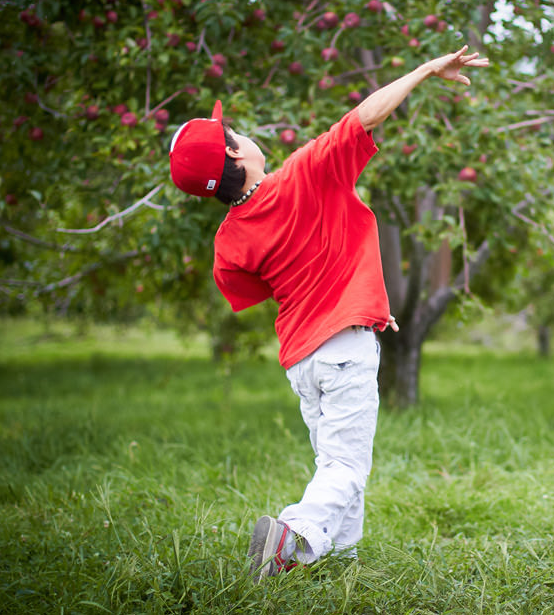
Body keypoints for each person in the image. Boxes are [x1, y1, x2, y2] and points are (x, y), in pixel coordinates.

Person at [167, 46, 490, 582]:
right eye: (236, 133)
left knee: (335, 465)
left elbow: (253, 289)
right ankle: (292, 537)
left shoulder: (228, 244)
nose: (245, 135)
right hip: (342, 347)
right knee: (345, 466)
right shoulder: (307, 172)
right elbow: (368, 113)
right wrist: (426, 69)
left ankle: (340, 565)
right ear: (236, 156)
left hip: (301, 361)